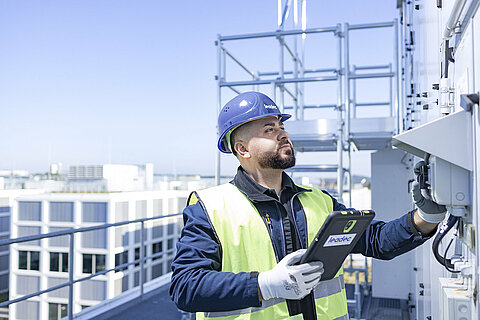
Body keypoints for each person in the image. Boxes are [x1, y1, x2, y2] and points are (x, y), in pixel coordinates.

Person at [169, 91, 446, 320]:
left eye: (281, 126)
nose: (282, 134)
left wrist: (427, 215)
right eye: (269, 129)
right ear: (243, 150)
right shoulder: (210, 208)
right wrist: (264, 284)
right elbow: (186, 287)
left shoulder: (319, 200)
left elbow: (375, 240)